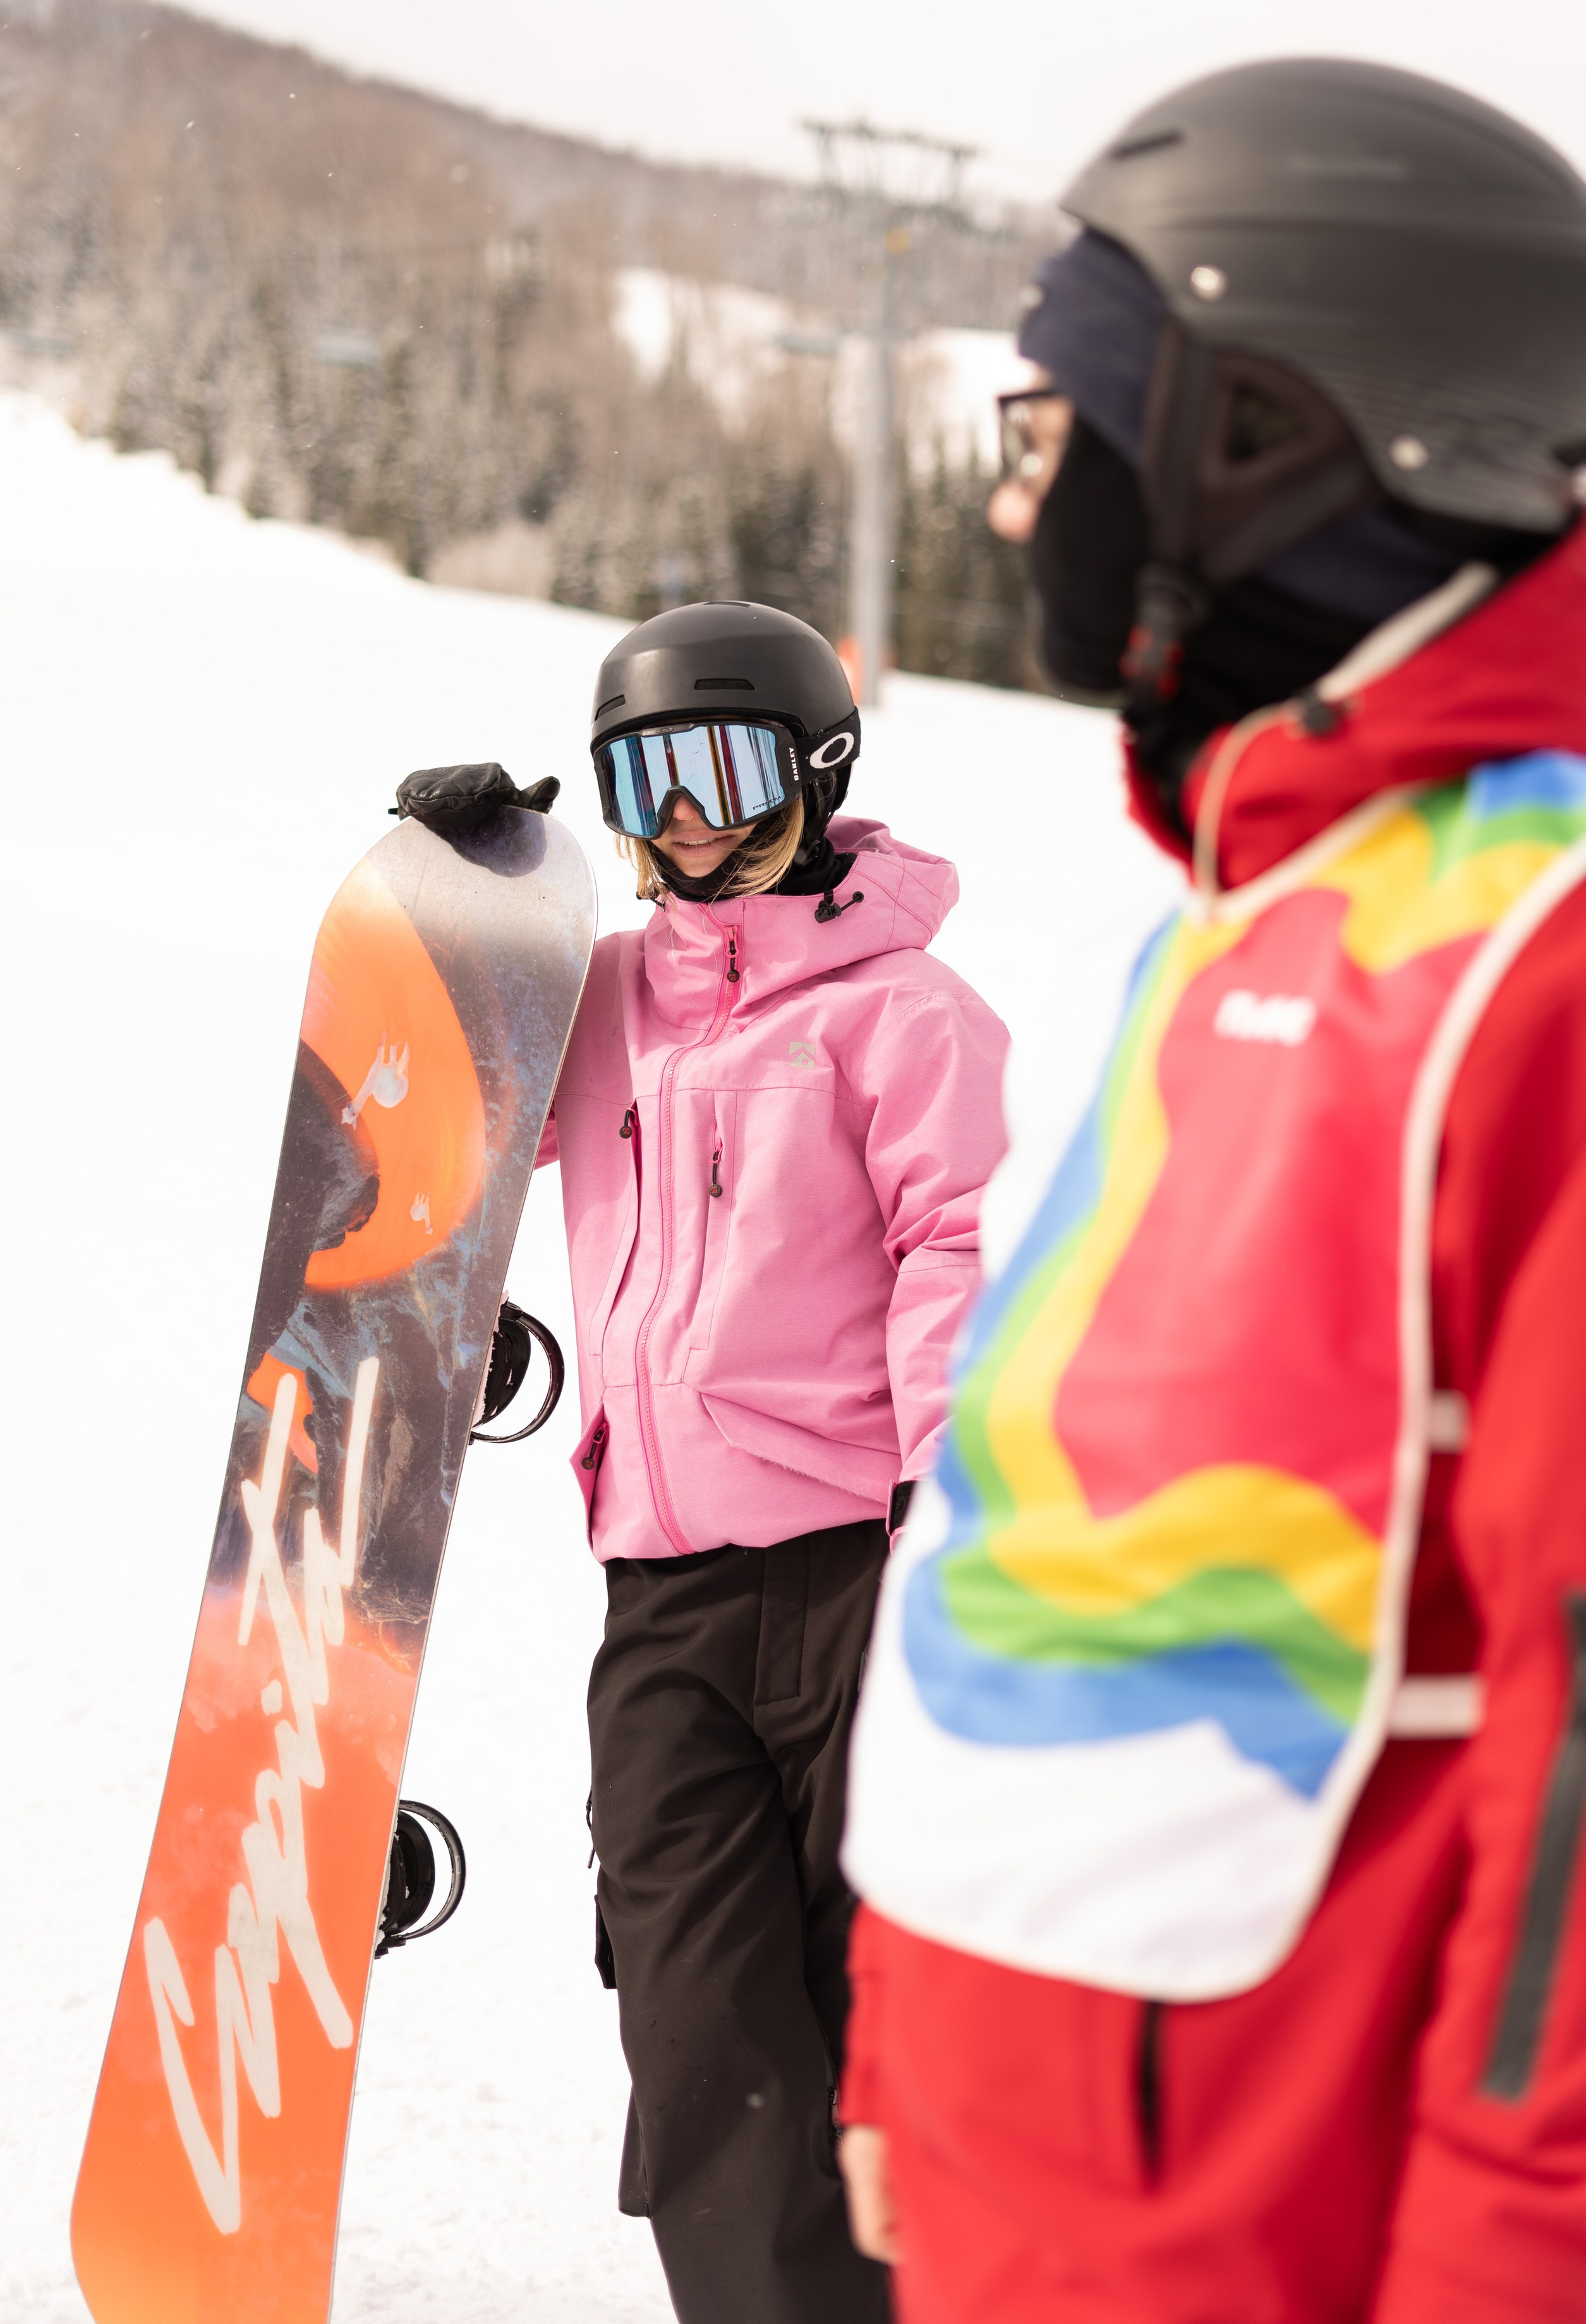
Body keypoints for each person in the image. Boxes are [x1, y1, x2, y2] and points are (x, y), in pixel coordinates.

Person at [837, 58, 1586, 2322]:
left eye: (1053, 433)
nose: (1015, 517)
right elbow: (1045, 1546)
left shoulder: (1558, 956)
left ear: (1263, 438)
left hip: (1308, 2227)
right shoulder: (1254, 909)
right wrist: (909, 2038)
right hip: (1044, 2181)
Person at [535, 600, 1010, 2324]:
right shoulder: (596, 1006)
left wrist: (951, 1533)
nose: (686, 818)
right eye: (642, 777)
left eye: (723, 770)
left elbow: (965, 1259)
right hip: (658, 1606)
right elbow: (446, 1108)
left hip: (855, 1587)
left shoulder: (906, 1018)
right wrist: (458, 908)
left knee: (872, 2014)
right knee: (695, 2024)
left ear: (816, 776)